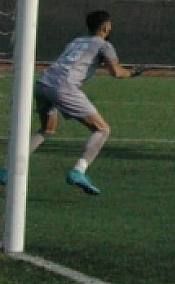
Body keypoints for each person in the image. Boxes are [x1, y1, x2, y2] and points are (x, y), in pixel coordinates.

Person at [0, 11, 134, 196]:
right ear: (105, 27)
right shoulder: (104, 45)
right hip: (64, 88)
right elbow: (116, 72)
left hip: (43, 83)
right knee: (102, 129)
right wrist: (130, 73)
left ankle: (7, 169)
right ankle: (79, 170)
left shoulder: (77, 41)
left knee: (47, 129)